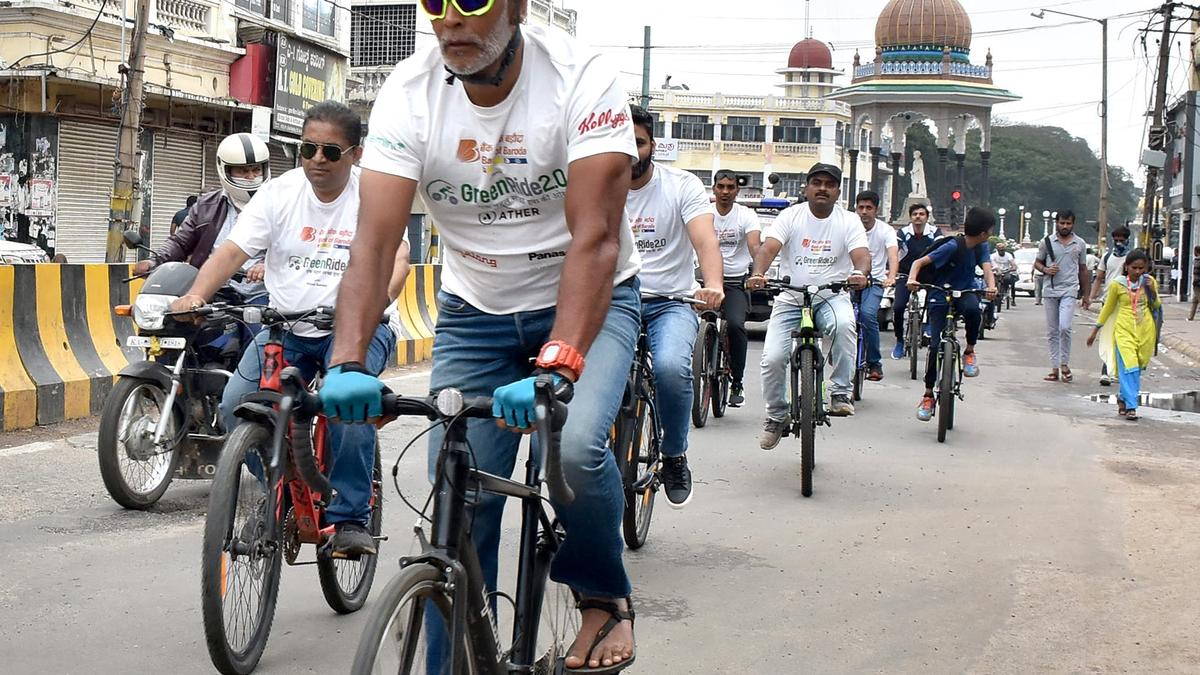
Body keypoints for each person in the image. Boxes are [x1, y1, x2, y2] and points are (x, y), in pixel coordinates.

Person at [319, 4, 641, 671]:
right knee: (457, 491)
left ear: (519, 6)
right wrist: (347, 359)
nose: (452, 19)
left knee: (576, 448)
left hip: (586, 300)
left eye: (474, 1)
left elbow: (597, 237)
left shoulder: (582, 77)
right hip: (475, 310)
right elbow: (375, 242)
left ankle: (602, 593)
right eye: (436, 2)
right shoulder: (408, 95)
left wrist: (560, 362)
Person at [169, 101, 399, 558]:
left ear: (355, 154)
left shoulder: (372, 197)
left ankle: (351, 516)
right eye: (307, 148)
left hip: (353, 327)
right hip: (285, 327)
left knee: (346, 405)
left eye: (330, 152)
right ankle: (283, 477)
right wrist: (196, 295)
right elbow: (232, 252)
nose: (317, 159)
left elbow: (398, 263)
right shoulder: (279, 194)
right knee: (237, 404)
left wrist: (372, 307)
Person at [624, 105, 722, 506]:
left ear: (653, 145)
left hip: (672, 303)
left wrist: (712, 283)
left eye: (639, 142)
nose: (631, 151)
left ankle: (674, 454)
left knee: (669, 367)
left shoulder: (681, 185)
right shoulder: (595, 183)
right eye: (622, 142)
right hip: (616, 302)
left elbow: (705, 240)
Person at [748, 163, 870, 449]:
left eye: (830, 184)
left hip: (831, 295)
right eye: (817, 182)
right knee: (774, 358)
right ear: (806, 187)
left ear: (838, 191)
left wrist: (859, 274)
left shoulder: (849, 221)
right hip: (791, 297)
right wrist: (758, 274)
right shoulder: (790, 216)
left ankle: (840, 392)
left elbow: (861, 255)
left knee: (844, 325)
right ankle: (776, 416)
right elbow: (768, 248)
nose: (823, 188)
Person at [134, 133, 269, 299]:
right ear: (225, 170)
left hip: (261, 295)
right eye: (243, 171)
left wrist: (266, 266)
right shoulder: (206, 205)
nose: (251, 177)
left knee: (256, 326)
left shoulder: (279, 204)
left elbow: (295, 248)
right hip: (212, 291)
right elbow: (180, 241)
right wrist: (154, 261)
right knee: (176, 320)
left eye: (256, 170)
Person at [908, 207, 997, 422]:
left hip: (964, 292)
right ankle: (928, 394)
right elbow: (919, 263)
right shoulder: (951, 246)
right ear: (984, 232)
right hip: (940, 294)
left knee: (974, 310)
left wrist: (991, 286)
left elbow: (987, 268)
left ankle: (969, 350)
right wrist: (912, 279)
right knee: (935, 345)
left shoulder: (981, 247)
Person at [1088, 249, 1161, 421]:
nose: (1137, 272)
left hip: (1145, 331)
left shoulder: (1149, 282)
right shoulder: (1117, 284)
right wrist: (1095, 330)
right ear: (1126, 267)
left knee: (1137, 367)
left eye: (1141, 268)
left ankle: (1123, 396)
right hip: (1123, 331)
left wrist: (1151, 291)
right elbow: (1107, 308)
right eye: (1134, 268)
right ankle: (1131, 406)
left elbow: (1156, 305)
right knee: (1130, 367)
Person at [711, 169, 761, 406]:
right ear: (714, 189)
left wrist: (760, 271)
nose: (725, 192)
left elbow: (754, 245)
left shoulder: (746, 215)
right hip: (703, 282)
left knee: (736, 326)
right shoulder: (704, 213)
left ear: (737, 191)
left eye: (730, 188)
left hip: (734, 283)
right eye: (721, 187)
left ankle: (737, 381)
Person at [1035, 210, 1091, 383]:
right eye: (1062, 223)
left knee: (1065, 327)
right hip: (1050, 290)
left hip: (1070, 290)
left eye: (1068, 223)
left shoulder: (1079, 244)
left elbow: (1083, 269)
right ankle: (1054, 368)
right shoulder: (1046, 242)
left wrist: (1086, 294)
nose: (1065, 226)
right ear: (1056, 223)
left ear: (1073, 224)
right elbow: (1037, 263)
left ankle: (1064, 363)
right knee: (1052, 331)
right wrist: (1046, 270)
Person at [854, 190, 898, 381]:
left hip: (874, 282)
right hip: (848, 282)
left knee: (867, 315)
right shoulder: (849, 226)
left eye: (868, 208)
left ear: (876, 210)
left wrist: (892, 276)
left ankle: (874, 363)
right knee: (840, 319)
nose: (864, 212)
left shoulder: (886, 230)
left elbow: (893, 255)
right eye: (861, 207)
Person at [891, 203, 940, 360]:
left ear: (927, 217)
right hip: (905, 274)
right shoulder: (903, 233)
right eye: (915, 214)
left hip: (929, 274)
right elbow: (894, 251)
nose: (918, 217)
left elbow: (941, 250)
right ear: (910, 217)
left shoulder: (935, 232)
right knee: (898, 307)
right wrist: (891, 272)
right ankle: (899, 341)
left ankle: (929, 327)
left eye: (921, 214)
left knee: (936, 301)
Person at [1089, 225, 1131, 384]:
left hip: (1127, 303)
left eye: (1122, 240)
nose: (1119, 243)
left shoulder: (1132, 259)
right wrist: (1090, 297)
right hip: (1108, 302)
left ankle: (1120, 371)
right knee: (1108, 337)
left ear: (1127, 240)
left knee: (1122, 338)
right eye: (1116, 240)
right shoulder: (1107, 257)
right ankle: (1106, 370)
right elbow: (1099, 278)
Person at [1190, 245, 1200, 321]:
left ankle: (1191, 317)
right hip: (1196, 282)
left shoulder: (1197, 260)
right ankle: (1191, 317)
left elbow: (1196, 272)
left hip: (1197, 282)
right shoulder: (1196, 260)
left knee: (1197, 299)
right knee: (1195, 300)